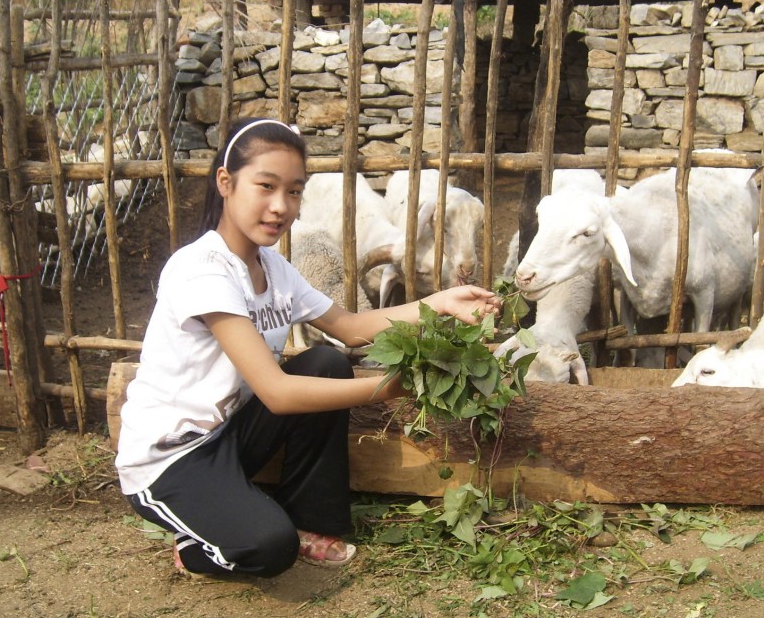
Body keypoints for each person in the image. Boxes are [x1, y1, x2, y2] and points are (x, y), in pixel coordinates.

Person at [115, 117, 501, 577]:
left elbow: (350, 327)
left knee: (325, 362)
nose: (281, 206)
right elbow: (277, 393)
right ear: (226, 182)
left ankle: (308, 522)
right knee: (268, 549)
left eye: (294, 191)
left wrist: (440, 303)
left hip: (229, 435)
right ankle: (195, 549)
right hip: (169, 458)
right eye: (266, 186)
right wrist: (392, 388)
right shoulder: (203, 270)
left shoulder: (273, 267)